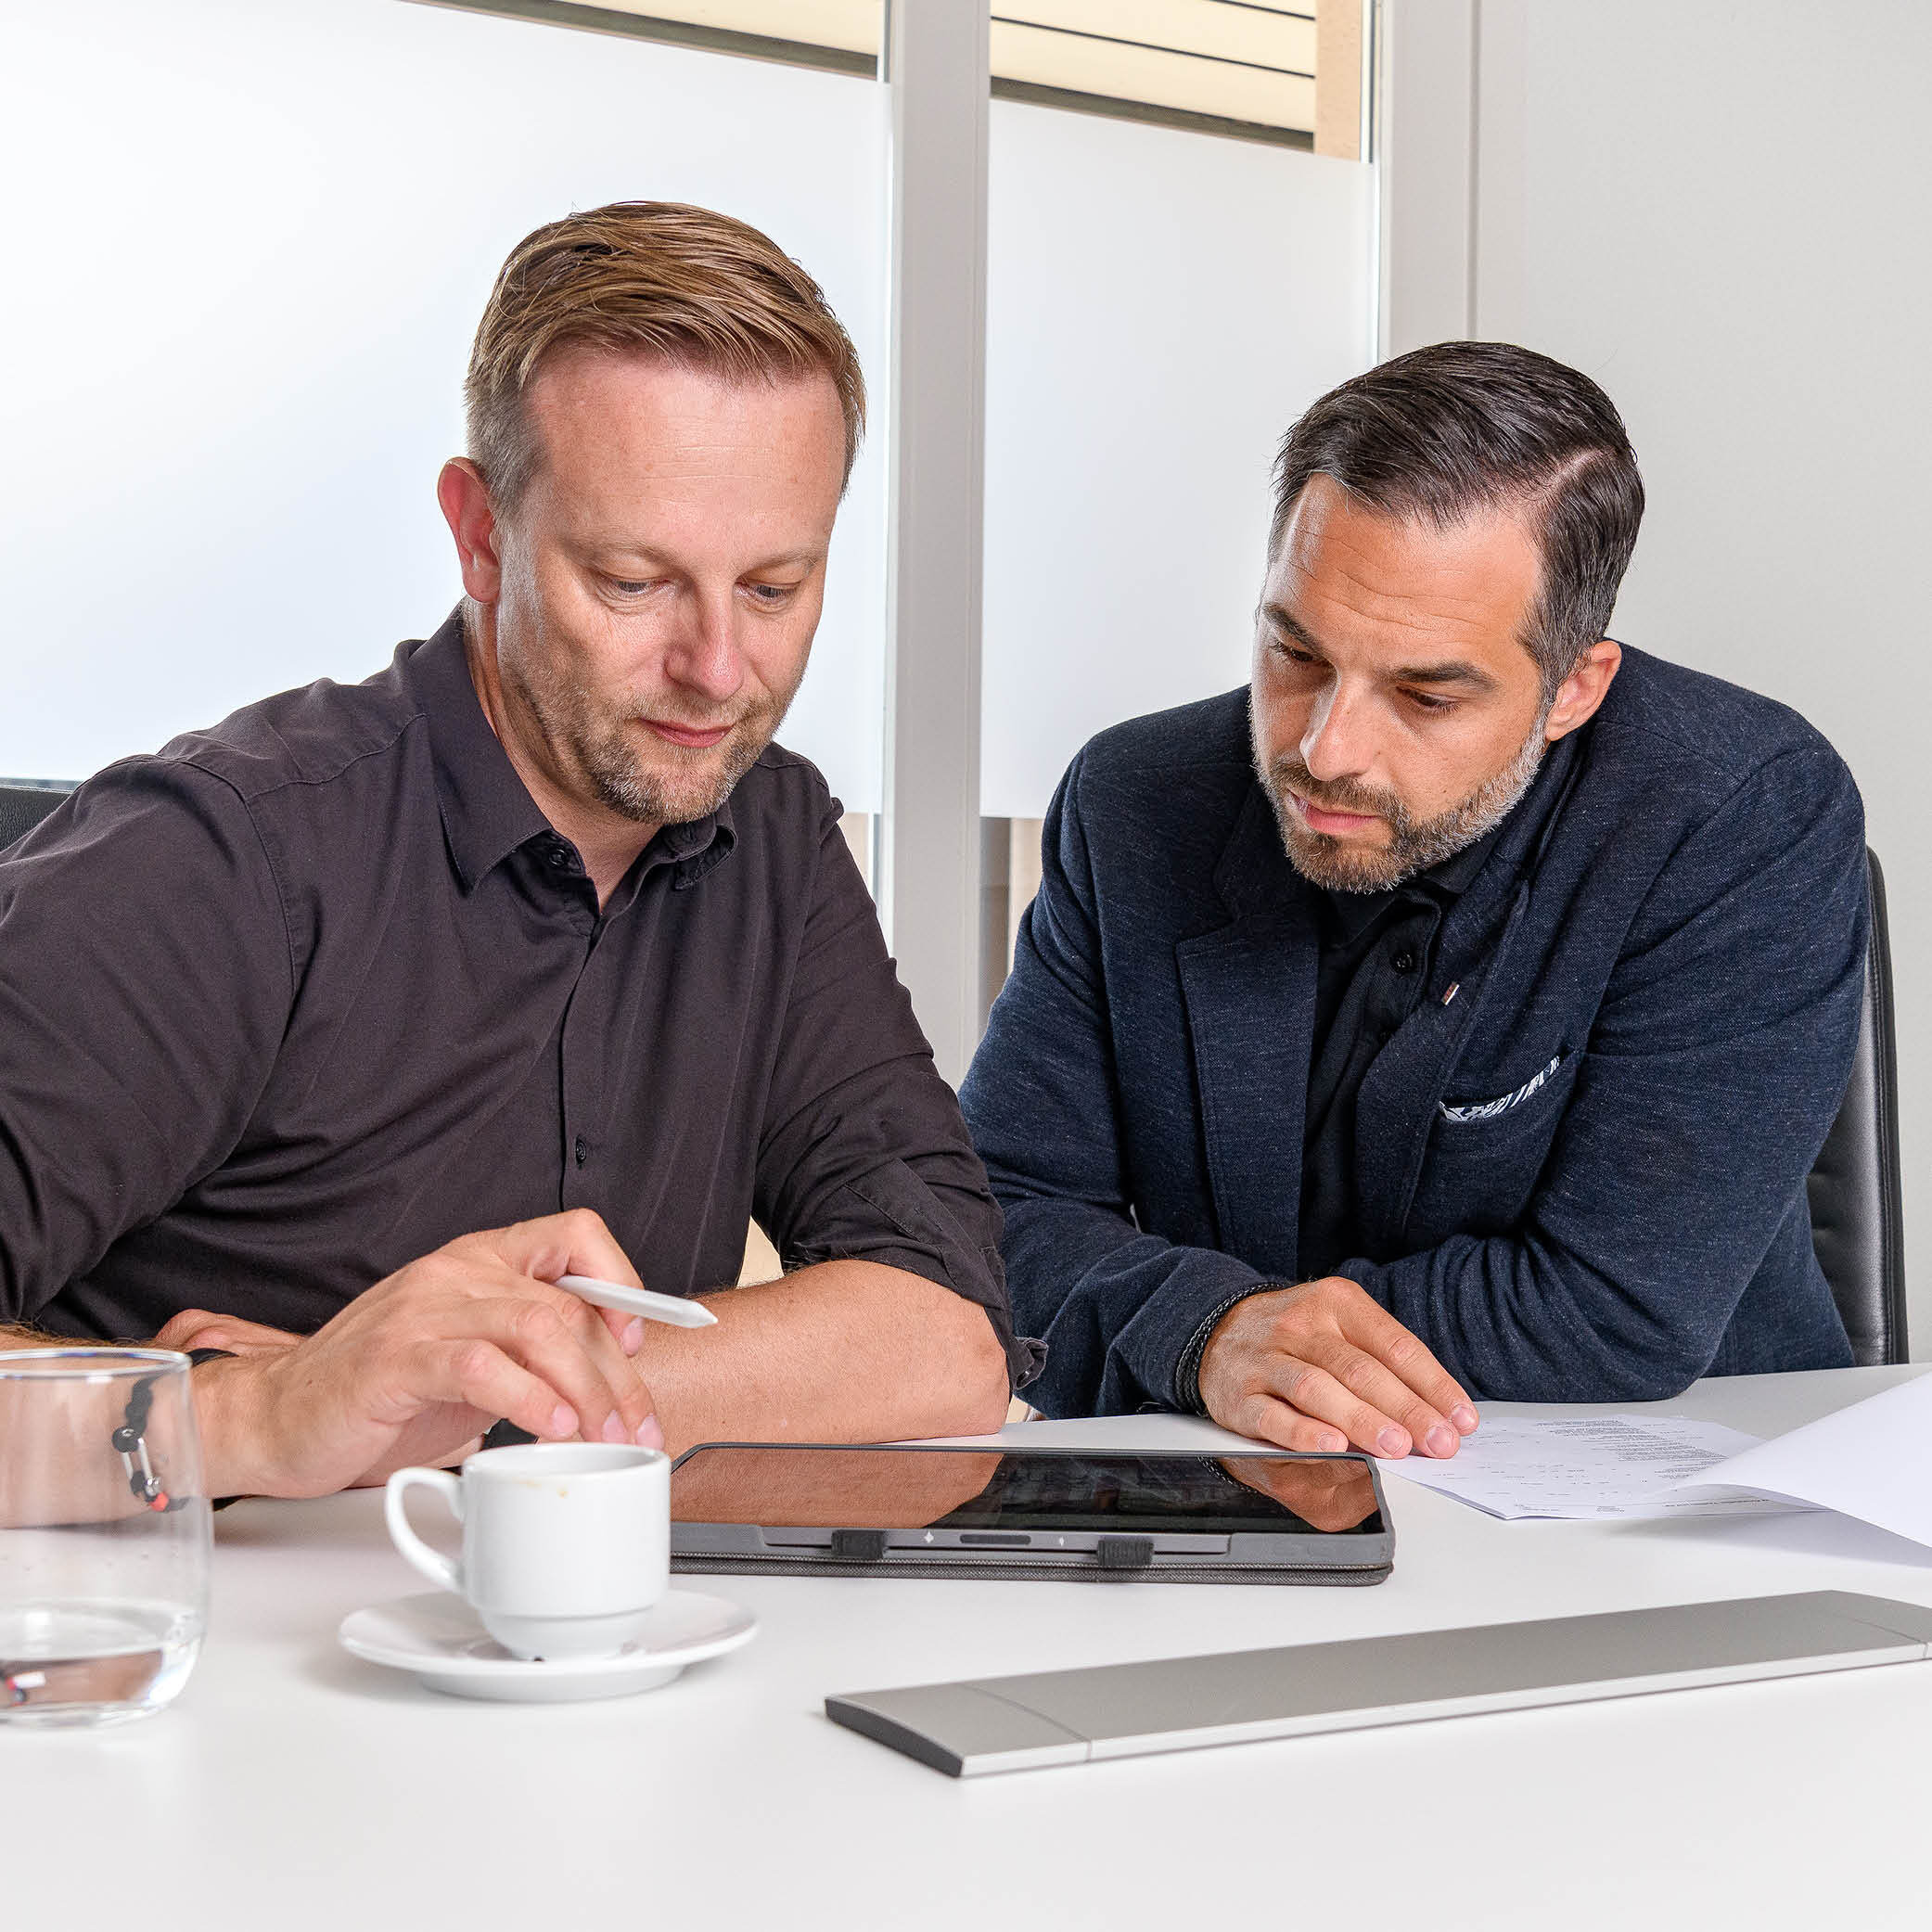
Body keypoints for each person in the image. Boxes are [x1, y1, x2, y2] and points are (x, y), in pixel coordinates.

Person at [0, 200, 1027, 1499]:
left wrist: (457, 1397)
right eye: (631, 580)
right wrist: (265, 1415)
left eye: (773, 587)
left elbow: (942, 1335)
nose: (717, 670)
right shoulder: (217, 859)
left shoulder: (770, 832)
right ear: (481, 536)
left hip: (592, 1669)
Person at [960, 341, 1867, 1459]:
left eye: (1425, 693)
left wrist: (1235, 1333)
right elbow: (989, 1217)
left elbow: (1611, 1310)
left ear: (1573, 688)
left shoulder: (1740, 809)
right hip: (1241, 1480)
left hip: (1678, 1491)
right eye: (1294, 652)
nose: (1323, 750)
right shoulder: (1134, 802)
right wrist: (1206, 1334)